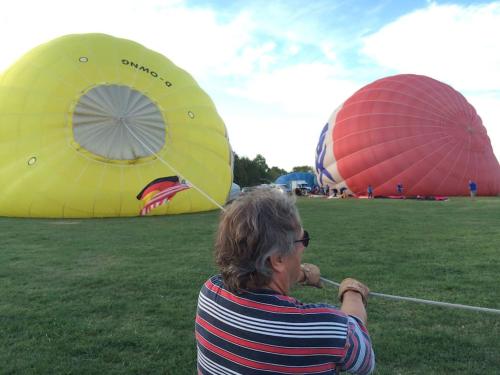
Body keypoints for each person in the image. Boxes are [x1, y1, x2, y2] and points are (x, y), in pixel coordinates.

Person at [196, 188, 375, 374]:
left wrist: (302, 274)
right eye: (303, 239)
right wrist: (353, 292)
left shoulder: (209, 292)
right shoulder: (328, 328)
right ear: (278, 259)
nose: (304, 247)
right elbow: (364, 359)